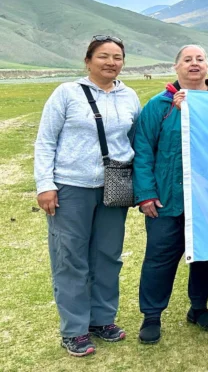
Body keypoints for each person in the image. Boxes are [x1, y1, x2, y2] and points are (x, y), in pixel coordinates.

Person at [34, 35, 141, 357]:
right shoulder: (66, 93)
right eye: (103, 56)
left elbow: (135, 139)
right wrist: (45, 184)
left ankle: (102, 319)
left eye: (117, 57)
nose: (111, 62)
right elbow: (45, 141)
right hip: (71, 186)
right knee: (71, 258)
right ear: (88, 60)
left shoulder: (129, 96)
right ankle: (75, 329)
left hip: (116, 182)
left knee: (108, 255)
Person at [134, 45, 208, 345]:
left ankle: (198, 308)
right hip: (167, 199)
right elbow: (143, 151)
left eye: (199, 59)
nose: (194, 64)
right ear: (176, 67)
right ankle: (152, 316)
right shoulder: (159, 105)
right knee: (160, 257)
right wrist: (145, 194)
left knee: (205, 257)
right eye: (187, 60)